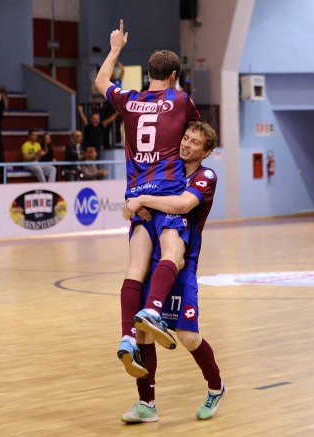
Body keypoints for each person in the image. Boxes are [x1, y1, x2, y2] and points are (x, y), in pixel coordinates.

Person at [94, 20, 201, 376]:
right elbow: (198, 136)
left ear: (149, 74)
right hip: (167, 194)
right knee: (174, 255)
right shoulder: (180, 100)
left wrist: (115, 48)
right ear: (173, 75)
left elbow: (100, 81)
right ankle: (153, 309)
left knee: (135, 269)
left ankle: (127, 337)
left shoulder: (130, 99)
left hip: (136, 199)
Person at [121, 121, 225, 423]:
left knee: (187, 336)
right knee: (143, 332)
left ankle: (216, 387)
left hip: (182, 264)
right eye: (186, 138)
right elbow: (129, 209)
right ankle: (147, 403)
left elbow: (182, 204)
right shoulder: (165, 170)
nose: (187, 144)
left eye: (195, 142)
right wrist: (132, 205)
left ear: (206, 151)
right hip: (154, 262)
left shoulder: (206, 176)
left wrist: (144, 200)